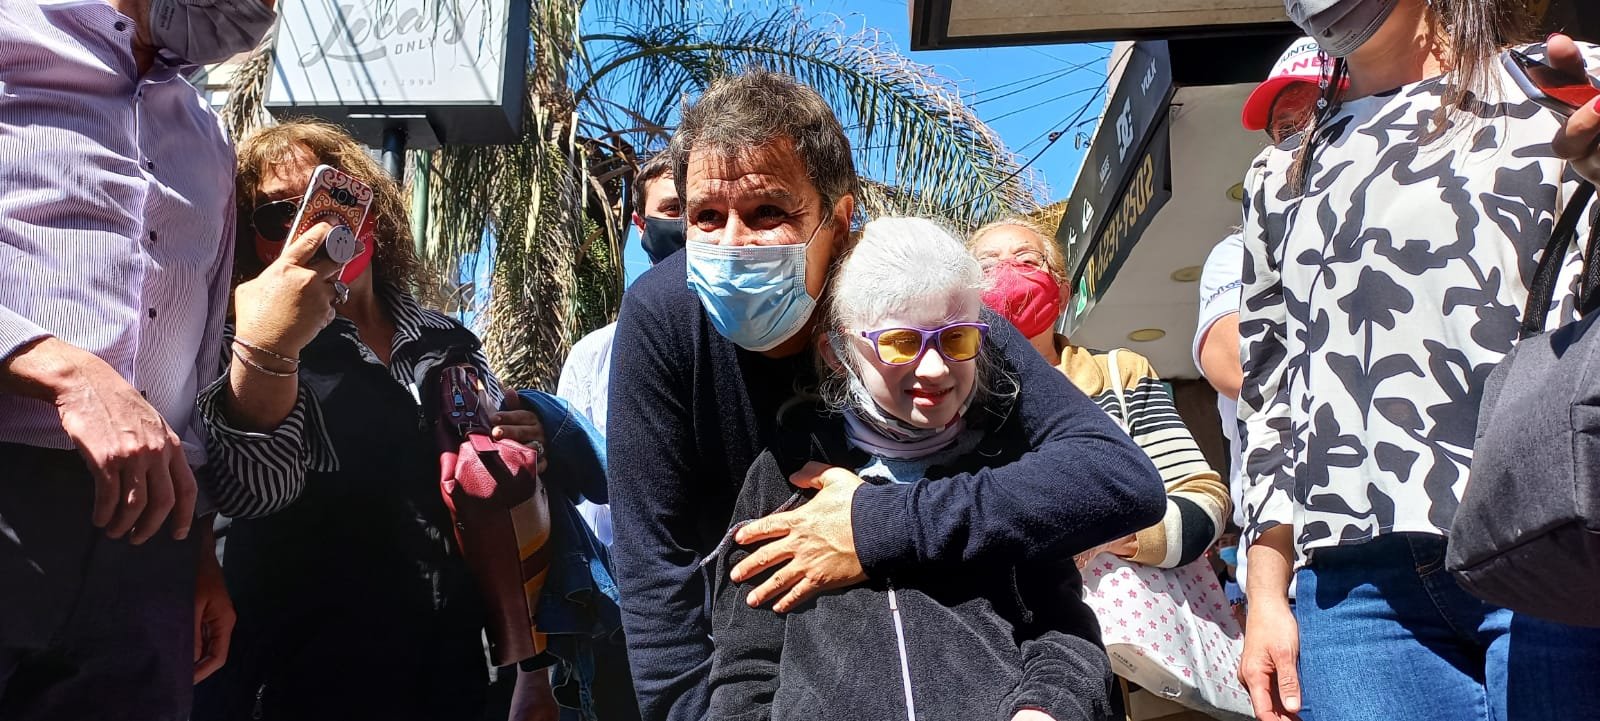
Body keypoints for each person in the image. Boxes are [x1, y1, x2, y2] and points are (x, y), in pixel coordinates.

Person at [607, 68, 1166, 721]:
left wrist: (876, 524)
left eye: (768, 213)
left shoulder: (924, 308)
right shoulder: (662, 318)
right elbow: (657, 579)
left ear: (839, 220)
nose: (732, 244)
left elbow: (1116, 478)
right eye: (706, 216)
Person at [1235, 1, 1600, 719]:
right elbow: (1272, 393)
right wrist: (1266, 595)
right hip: (1354, 589)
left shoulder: (1560, 87)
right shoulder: (1278, 174)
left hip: (1554, 531)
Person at [190, 119, 560, 721]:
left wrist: (528, 437)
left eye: (331, 197)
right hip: (294, 676)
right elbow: (254, 494)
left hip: (449, 673)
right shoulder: (234, 342)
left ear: (372, 212)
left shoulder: (447, 340)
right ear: (250, 241)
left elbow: (495, 500)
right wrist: (271, 349)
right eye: (277, 215)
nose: (312, 225)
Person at [707, 218, 1116, 721]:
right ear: (838, 352)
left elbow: (1065, 630)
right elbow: (745, 669)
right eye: (901, 342)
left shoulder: (1009, 465)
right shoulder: (782, 478)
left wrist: (1045, 709)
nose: (936, 368)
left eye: (957, 339)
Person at [0, 0, 274, 716]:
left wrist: (199, 547)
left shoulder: (208, 134)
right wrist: (62, 371)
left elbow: (201, 352)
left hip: (152, 534)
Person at [970, 219, 1228, 571]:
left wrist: (1111, 536)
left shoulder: (1120, 374)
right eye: (987, 267)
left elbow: (1203, 498)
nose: (1008, 274)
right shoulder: (950, 398)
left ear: (1062, 294)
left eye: (1027, 261)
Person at [1194, 37, 1328, 605]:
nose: (1302, 139)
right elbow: (1235, 365)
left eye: (1318, 115)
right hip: (1298, 562)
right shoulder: (1239, 254)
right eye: (1285, 129)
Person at [557, 153, 684, 546]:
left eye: (699, 211)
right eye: (672, 209)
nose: (685, 224)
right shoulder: (593, 356)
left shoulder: (753, 343)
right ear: (641, 225)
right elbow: (571, 482)